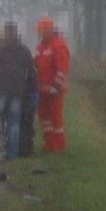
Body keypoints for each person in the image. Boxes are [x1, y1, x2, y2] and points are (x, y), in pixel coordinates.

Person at [0, 21, 37, 160]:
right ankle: (12, 154)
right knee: (14, 123)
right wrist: (33, 91)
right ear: (16, 34)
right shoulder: (25, 51)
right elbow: (32, 73)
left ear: (6, 34)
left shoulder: (0, 50)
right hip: (17, 93)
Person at [35, 17, 71, 152]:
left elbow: (62, 69)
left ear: (49, 30)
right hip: (42, 90)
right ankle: (49, 143)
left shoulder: (58, 45)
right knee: (44, 118)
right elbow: (37, 66)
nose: (40, 33)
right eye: (40, 31)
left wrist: (55, 87)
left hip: (54, 90)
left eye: (42, 31)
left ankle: (59, 145)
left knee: (55, 118)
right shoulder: (41, 46)